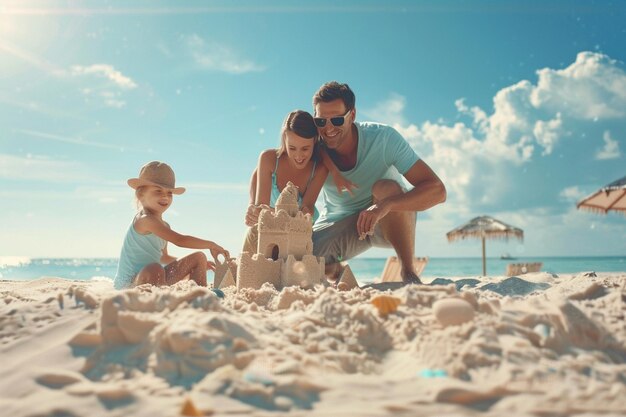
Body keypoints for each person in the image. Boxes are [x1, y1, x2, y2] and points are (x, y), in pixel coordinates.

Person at [311, 81, 447, 284]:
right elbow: (278, 167)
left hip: (389, 222)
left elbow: (438, 191)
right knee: (299, 258)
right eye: (321, 121)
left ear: (353, 115)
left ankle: (408, 271)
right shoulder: (312, 147)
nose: (328, 128)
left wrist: (386, 206)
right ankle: (333, 268)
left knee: (386, 188)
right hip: (341, 225)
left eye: (337, 120)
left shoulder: (383, 139)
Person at [114, 161, 230, 290]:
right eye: (158, 191)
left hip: (154, 278)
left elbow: (163, 257)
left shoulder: (165, 226)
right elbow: (180, 240)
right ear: (141, 195)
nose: (165, 196)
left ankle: (199, 295)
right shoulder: (145, 220)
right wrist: (211, 244)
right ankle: (158, 300)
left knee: (199, 257)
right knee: (155, 268)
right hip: (131, 284)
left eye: (169, 193)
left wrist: (189, 265)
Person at [243, 110, 333, 252]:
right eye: (292, 148)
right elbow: (261, 208)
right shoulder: (269, 159)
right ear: (284, 139)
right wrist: (253, 210)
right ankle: (243, 272)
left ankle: (333, 268)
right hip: (272, 228)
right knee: (255, 232)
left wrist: (271, 214)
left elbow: (306, 210)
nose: (298, 156)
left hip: (301, 230)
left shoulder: (320, 168)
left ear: (314, 141)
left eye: (305, 148)